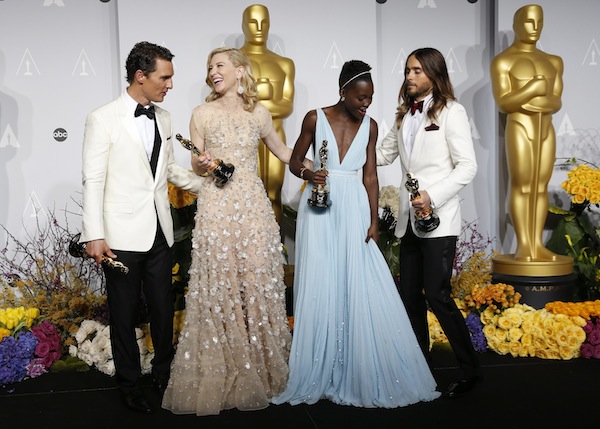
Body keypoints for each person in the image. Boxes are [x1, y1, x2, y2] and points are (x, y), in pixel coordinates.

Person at [272, 60, 440, 408]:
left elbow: (370, 177)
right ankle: (319, 364)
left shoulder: (371, 126)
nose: (366, 104)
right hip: (319, 206)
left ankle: (355, 363)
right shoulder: (314, 118)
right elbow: (294, 160)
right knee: (320, 279)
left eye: (371, 98)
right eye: (361, 97)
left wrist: (374, 221)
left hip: (354, 206)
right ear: (343, 91)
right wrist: (308, 174)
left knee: (357, 279)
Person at [162, 47, 308, 416]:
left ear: (241, 71)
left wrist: (321, 164)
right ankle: (223, 370)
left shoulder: (258, 113)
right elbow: (196, 165)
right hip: (217, 207)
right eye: (209, 66)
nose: (212, 71)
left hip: (254, 209)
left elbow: (282, 152)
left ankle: (263, 368)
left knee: (257, 281)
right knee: (220, 282)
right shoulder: (201, 113)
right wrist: (202, 161)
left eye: (219, 65)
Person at [80, 41, 204, 413]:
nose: (169, 85)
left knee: (164, 310)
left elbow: (165, 171)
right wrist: (94, 235)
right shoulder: (102, 118)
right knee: (123, 313)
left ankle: (163, 374)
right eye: (164, 77)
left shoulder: (164, 118)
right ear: (140, 76)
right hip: (119, 235)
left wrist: (209, 185)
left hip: (159, 232)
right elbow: (93, 179)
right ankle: (129, 384)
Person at [376, 48, 480, 397]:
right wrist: (343, 137)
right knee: (409, 297)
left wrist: (432, 196)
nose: (409, 77)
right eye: (407, 70)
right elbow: (381, 155)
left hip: (439, 220)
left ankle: (469, 370)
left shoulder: (453, 112)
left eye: (417, 71)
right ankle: (420, 366)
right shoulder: (404, 115)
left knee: (437, 295)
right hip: (409, 223)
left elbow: (467, 166)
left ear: (434, 74)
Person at [491, 4, 563, 262]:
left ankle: (537, 245)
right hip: (520, 126)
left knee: (540, 186)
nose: (535, 28)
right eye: (530, 22)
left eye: (539, 22)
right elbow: (504, 103)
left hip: (545, 129)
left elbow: (556, 102)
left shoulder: (553, 61)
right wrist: (533, 88)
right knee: (522, 185)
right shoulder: (504, 61)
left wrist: (531, 101)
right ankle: (524, 245)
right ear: (517, 24)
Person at [240, 3, 295, 222]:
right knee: (242, 198)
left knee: (273, 194)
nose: (259, 28)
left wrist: (253, 98)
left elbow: (286, 107)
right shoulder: (232, 64)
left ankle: (277, 255)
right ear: (244, 26)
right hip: (242, 138)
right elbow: (227, 105)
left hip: (275, 136)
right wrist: (267, 94)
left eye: (264, 22)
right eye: (253, 22)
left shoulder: (284, 64)